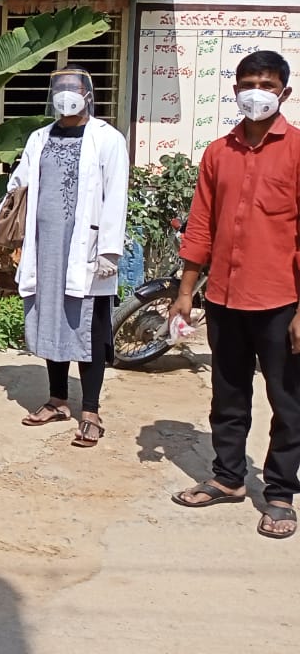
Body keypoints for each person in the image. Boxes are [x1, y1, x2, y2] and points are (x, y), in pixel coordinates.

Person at [170, 50, 300, 539]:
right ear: (235, 89)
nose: (256, 92)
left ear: (283, 92)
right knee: (228, 395)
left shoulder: (297, 150)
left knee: (287, 401)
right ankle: (228, 479)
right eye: (247, 82)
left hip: (280, 300)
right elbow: (201, 224)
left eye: (266, 84)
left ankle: (281, 493)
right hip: (223, 295)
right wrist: (186, 292)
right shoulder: (217, 153)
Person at [0, 67, 128, 448]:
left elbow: (116, 196)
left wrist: (110, 250)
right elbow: (19, 187)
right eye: (59, 88)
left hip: (88, 251)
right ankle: (58, 399)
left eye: (73, 88)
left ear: (88, 94)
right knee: (52, 320)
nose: (66, 95)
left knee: (90, 329)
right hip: (45, 248)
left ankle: (91, 410)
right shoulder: (39, 137)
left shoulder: (107, 139)